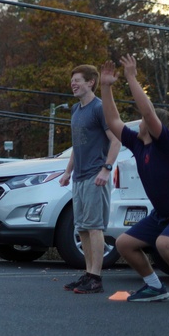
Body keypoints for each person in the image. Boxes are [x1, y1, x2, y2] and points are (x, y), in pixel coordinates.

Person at [99, 55, 169, 308]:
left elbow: (148, 112)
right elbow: (113, 121)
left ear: (154, 125)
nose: (139, 122)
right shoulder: (139, 146)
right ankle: (154, 286)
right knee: (125, 243)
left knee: (164, 244)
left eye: (145, 121)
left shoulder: (166, 146)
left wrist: (131, 77)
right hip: (164, 214)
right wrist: (106, 87)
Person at [59, 63, 121, 294]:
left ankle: (96, 277)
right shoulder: (76, 110)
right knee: (82, 228)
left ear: (90, 82)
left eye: (77, 80)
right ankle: (88, 274)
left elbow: (116, 140)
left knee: (94, 228)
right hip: (79, 177)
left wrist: (106, 169)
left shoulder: (99, 108)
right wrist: (67, 172)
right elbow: (77, 145)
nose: (73, 84)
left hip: (96, 176)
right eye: (72, 80)